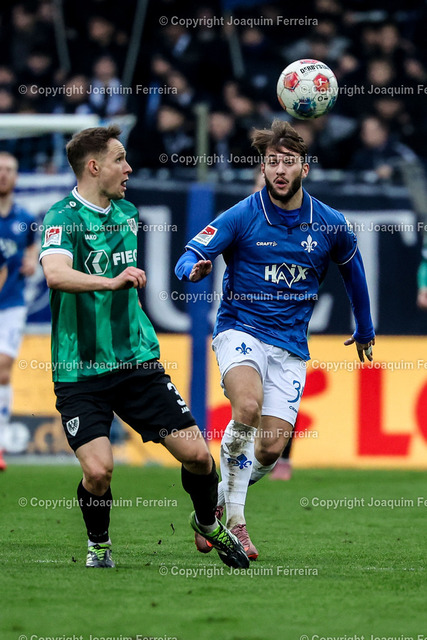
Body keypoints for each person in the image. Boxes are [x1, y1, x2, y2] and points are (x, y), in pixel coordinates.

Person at [39, 125, 249, 570]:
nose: (129, 168)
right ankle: (99, 544)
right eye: (119, 159)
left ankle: (206, 522)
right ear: (93, 167)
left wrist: (191, 271)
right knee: (98, 471)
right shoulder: (62, 217)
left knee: (198, 457)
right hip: (80, 371)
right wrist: (110, 281)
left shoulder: (127, 212)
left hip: (136, 363)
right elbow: (55, 274)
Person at [175, 119, 375, 560]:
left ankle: (212, 507)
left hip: (290, 347)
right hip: (240, 329)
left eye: (288, 162)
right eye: (272, 162)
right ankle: (237, 526)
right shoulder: (243, 214)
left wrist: (364, 326)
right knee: (246, 408)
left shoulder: (329, 223)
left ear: (305, 167)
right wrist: (192, 269)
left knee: (269, 448)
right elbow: (190, 253)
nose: (280, 170)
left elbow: (354, 272)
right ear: (262, 168)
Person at [0, 152, 38, 471]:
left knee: (2, 368)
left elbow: (32, 245)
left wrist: (31, 258)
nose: (3, 174)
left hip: (11, 304)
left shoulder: (25, 217)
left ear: (16, 176)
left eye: (9, 170)